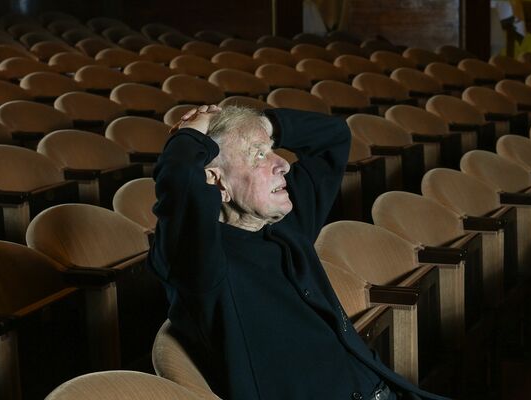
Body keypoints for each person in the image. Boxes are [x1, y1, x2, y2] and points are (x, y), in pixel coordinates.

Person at [148, 104, 448, 400]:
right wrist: (188, 134)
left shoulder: (286, 223)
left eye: (272, 149)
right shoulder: (202, 264)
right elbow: (179, 186)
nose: (283, 164)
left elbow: (334, 135)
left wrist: (266, 125)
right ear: (217, 182)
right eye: (259, 155)